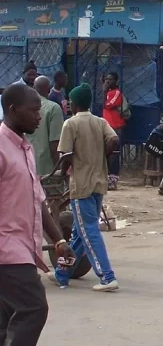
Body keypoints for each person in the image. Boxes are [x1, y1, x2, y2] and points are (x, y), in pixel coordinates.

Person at [0, 83, 76, 346]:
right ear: (13, 110)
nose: (38, 117)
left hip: (22, 247)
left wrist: (58, 240)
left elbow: (38, 200)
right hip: (6, 251)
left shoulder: (25, 148)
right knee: (33, 308)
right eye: (33, 111)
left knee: (6, 321)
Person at [52, 82, 120, 291]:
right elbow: (114, 140)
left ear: (73, 104)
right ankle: (62, 273)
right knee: (79, 233)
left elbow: (65, 155)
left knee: (88, 230)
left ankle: (107, 277)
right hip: (99, 183)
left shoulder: (70, 124)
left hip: (81, 185)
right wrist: (102, 156)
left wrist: (61, 173)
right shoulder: (100, 122)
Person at [26, 76, 64, 178]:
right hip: (46, 170)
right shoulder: (53, 108)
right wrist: (58, 169)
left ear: (33, 88)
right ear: (49, 89)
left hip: (26, 166)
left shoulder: (24, 108)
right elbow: (55, 143)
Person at [102, 72, 126, 191]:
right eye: (106, 79)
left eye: (110, 79)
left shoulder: (116, 93)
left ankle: (113, 180)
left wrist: (104, 91)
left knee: (114, 155)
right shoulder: (107, 93)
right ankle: (106, 179)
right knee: (105, 153)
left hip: (115, 127)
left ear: (116, 81)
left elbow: (107, 106)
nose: (108, 81)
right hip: (106, 127)